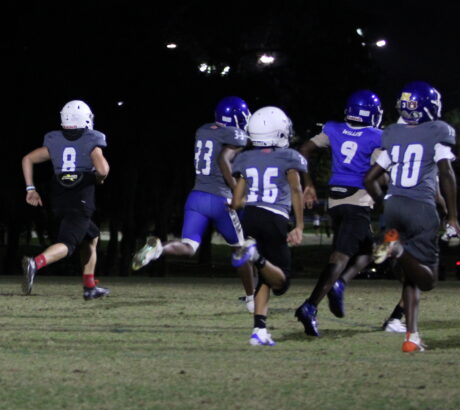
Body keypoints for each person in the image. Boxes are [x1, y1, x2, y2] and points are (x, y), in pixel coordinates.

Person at [131, 96, 258, 312]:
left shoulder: (204, 129)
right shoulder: (236, 134)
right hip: (220, 199)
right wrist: (236, 188)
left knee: (189, 247)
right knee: (240, 250)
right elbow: (223, 159)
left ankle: (160, 249)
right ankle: (251, 299)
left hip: (196, 196)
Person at [364, 81, 460, 353]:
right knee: (428, 280)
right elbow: (446, 172)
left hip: (394, 205)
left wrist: (386, 202)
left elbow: (370, 178)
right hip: (420, 208)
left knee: (409, 277)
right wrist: (452, 216)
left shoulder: (393, 134)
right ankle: (398, 250)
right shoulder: (438, 131)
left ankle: (411, 336)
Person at [294, 90, 386, 336]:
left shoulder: (334, 129)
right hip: (358, 200)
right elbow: (380, 173)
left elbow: (303, 150)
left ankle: (340, 284)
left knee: (367, 252)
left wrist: (309, 184)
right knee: (341, 257)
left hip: (335, 200)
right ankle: (310, 305)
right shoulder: (377, 135)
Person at [229, 106, 307, 346]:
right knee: (281, 282)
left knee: (265, 278)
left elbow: (236, 202)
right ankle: (256, 258)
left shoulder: (245, 158)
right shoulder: (289, 157)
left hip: (250, 216)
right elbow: (295, 189)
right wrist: (300, 225)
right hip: (274, 217)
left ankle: (259, 331)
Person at [21, 100, 110, 300]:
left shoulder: (55, 140)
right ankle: (36, 263)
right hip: (81, 200)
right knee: (68, 244)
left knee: (91, 236)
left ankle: (89, 287)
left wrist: (30, 188)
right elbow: (103, 169)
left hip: (59, 199)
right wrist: (100, 178)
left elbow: (27, 158)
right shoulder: (91, 140)